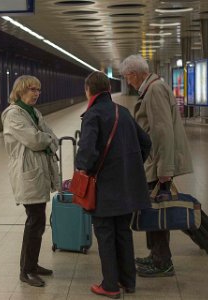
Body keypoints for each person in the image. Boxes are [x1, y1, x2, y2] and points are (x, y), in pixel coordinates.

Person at [76, 71, 152, 299]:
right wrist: (131, 166)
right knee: (123, 233)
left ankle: (109, 285)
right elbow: (146, 142)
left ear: (89, 90)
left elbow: (87, 155)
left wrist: (84, 169)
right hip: (126, 188)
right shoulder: (124, 112)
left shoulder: (93, 115)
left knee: (106, 236)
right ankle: (128, 281)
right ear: (109, 89)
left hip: (104, 190)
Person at [119, 54, 193, 277]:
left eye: (127, 78)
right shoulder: (153, 88)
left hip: (158, 165)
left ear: (134, 74)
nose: (128, 82)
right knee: (152, 209)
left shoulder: (154, 91)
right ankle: (155, 256)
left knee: (158, 211)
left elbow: (163, 133)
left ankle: (163, 262)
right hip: (154, 162)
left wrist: (164, 170)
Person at [1, 75, 60, 287]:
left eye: (38, 90)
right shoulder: (13, 115)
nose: (36, 93)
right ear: (20, 91)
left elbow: (51, 135)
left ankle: (32, 265)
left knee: (37, 222)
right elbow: (36, 140)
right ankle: (26, 270)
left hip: (39, 172)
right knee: (34, 222)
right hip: (27, 173)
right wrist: (47, 139)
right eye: (31, 89)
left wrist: (47, 139)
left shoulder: (34, 112)